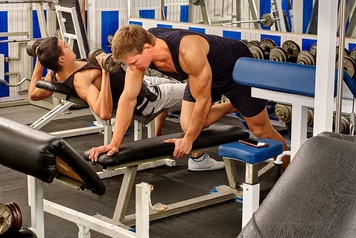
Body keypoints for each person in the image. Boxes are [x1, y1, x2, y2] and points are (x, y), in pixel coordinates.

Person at [87, 26, 288, 167]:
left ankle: (290, 167)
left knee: (260, 129)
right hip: (199, 76)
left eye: (133, 62)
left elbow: (204, 100)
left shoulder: (187, 51)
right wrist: (114, 143)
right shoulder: (140, 50)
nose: (132, 68)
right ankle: (231, 106)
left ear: (147, 48)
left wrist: (188, 141)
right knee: (188, 124)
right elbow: (128, 98)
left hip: (234, 69)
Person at [30, 37, 233, 170]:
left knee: (187, 83)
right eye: (64, 47)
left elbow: (33, 94)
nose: (68, 44)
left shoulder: (56, 74)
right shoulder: (80, 80)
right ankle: (232, 107)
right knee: (203, 91)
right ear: (62, 59)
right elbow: (104, 113)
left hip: (143, 83)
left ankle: (160, 139)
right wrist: (105, 72)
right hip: (149, 98)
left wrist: (39, 62)